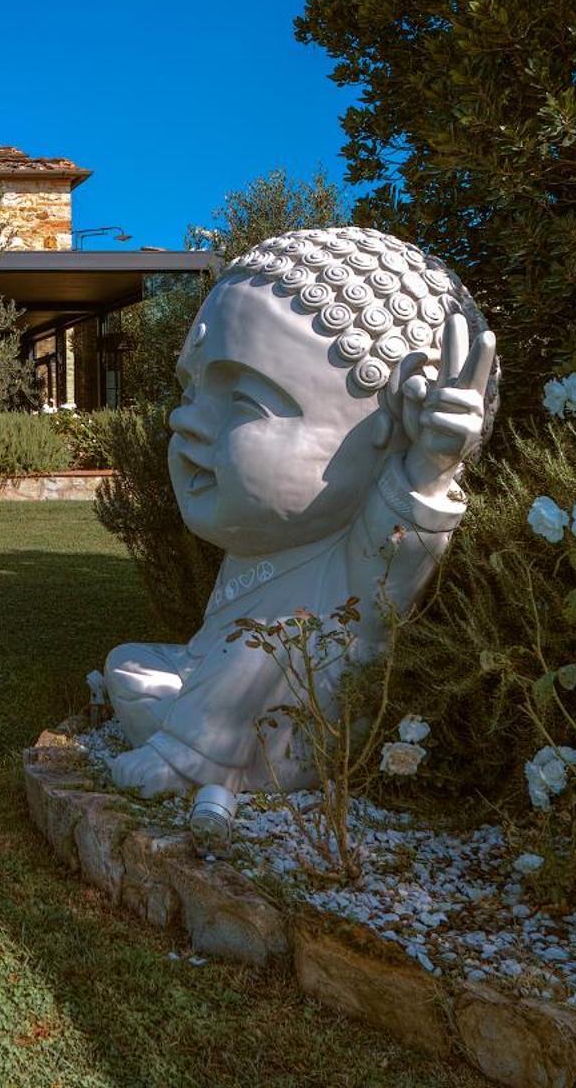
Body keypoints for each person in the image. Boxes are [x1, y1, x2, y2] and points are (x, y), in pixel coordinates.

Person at [102, 227, 498, 798]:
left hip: (313, 711)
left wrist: (429, 468)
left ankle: (192, 759)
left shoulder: (358, 551)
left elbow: (397, 553)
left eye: (243, 400)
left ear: (384, 436)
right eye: (191, 393)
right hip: (229, 691)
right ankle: (203, 741)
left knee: (266, 639)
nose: (184, 421)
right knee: (131, 666)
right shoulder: (269, 544)